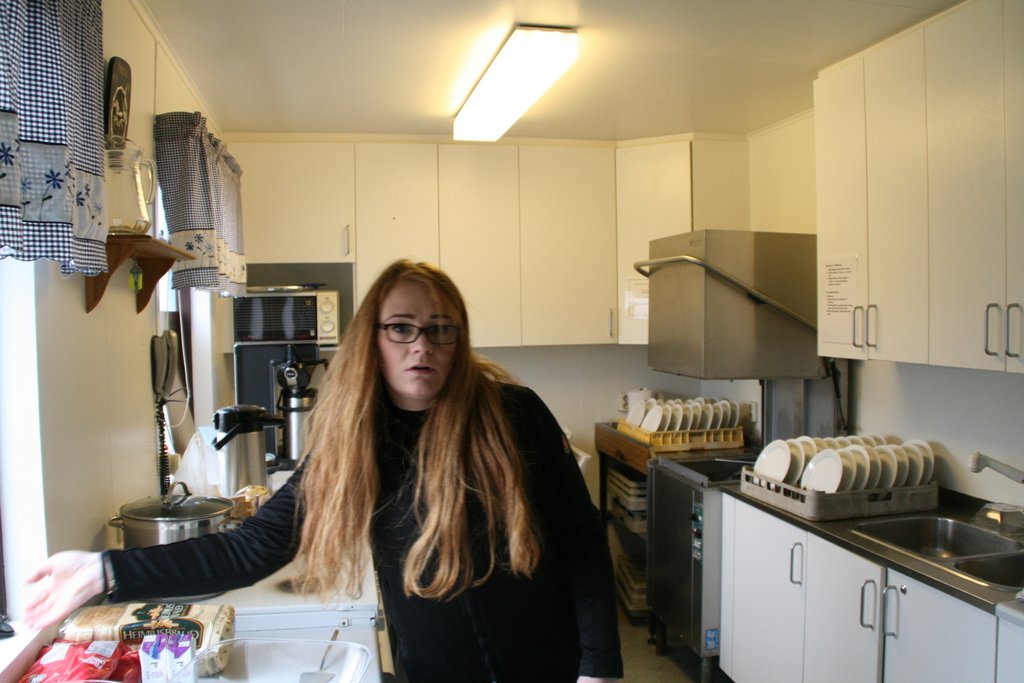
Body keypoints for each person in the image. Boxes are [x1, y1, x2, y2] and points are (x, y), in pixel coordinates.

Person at [25, 259, 624, 683]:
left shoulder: (512, 414)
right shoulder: (355, 443)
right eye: (402, 328)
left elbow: (582, 540)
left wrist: (598, 667)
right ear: (373, 339)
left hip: (553, 665)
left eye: (441, 329)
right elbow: (252, 548)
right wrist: (105, 571)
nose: (422, 345)